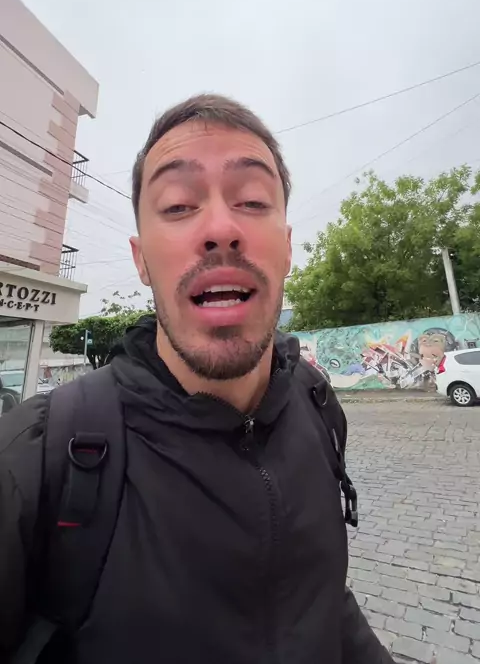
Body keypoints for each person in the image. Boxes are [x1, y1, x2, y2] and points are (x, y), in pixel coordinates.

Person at [0, 94, 393, 663]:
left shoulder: (316, 407)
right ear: (141, 259)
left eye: (252, 200)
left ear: (287, 247)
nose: (220, 228)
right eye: (179, 205)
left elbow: (324, 602)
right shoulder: (34, 458)